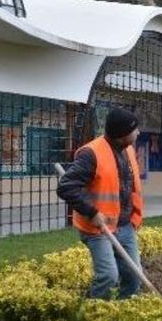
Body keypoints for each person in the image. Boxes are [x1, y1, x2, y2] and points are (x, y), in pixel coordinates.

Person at [57, 108, 144, 300]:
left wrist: (132, 219)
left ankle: (124, 313)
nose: (138, 133)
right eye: (134, 130)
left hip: (125, 225)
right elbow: (66, 187)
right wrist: (91, 211)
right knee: (108, 277)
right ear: (122, 134)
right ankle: (94, 316)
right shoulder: (91, 154)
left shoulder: (128, 150)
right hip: (98, 229)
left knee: (134, 276)